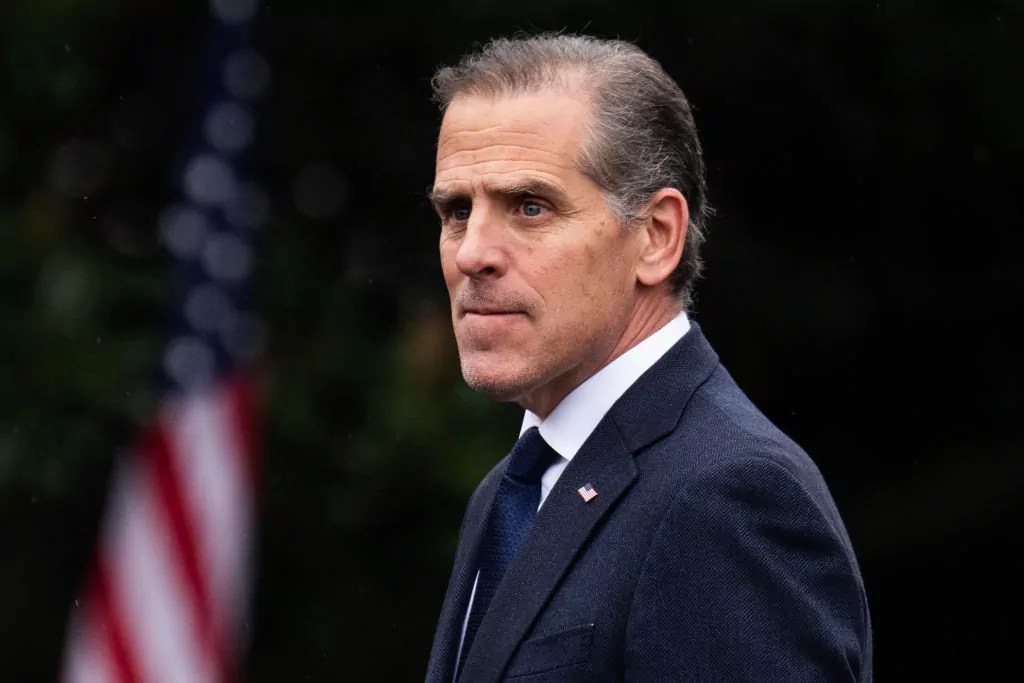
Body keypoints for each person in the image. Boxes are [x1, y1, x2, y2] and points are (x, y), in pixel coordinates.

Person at [424, 33, 871, 682]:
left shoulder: (725, 496)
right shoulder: (511, 490)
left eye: (530, 207)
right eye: (457, 210)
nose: (472, 253)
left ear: (657, 237)